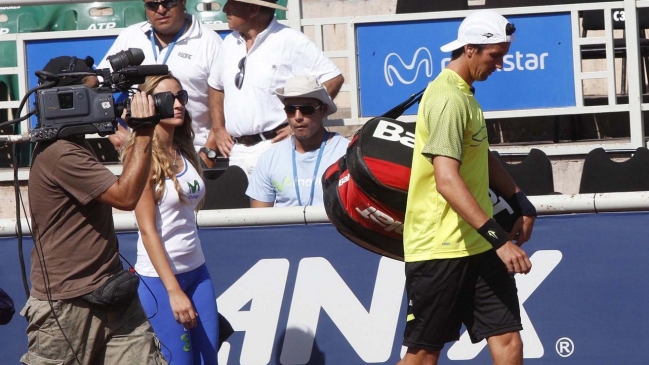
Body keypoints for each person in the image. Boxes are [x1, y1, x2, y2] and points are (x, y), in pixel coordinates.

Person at [399, 10, 538, 365]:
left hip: (478, 244)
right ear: (471, 49)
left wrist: (520, 201)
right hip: (440, 249)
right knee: (423, 356)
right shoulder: (447, 98)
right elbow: (446, 180)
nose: (500, 65)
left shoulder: (465, 94)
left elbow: (481, 154)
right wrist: (500, 240)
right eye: (495, 56)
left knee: (508, 339)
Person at [22, 56, 167, 364]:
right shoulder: (60, 153)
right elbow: (126, 196)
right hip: (68, 304)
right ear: (67, 99)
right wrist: (142, 131)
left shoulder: (74, 144)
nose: (102, 102)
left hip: (111, 289)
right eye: (93, 93)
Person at [122, 74, 219, 364]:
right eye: (168, 98)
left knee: (209, 360)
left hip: (197, 271)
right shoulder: (140, 156)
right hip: (160, 280)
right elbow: (148, 230)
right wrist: (174, 291)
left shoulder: (184, 147)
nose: (178, 104)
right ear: (149, 104)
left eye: (181, 97)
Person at [207, 0, 344, 176]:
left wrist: (295, 125)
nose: (225, 9)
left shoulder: (291, 40)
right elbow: (216, 85)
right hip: (237, 151)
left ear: (253, 9)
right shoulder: (230, 43)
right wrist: (218, 129)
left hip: (276, 147)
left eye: (232, 3)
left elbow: (333, 78)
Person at [99, 0, 222, 167]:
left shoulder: (209, 41)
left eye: (168, 2)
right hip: (140, 150)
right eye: (152, 5)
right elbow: (98, 87)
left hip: (192, 151)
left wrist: (208, 151)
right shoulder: (130, 36)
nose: (161, 10)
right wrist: (113, 130)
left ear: (183, 2)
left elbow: (225, 101)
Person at [246, 75, 349, 207]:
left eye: (306, 109)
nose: (298, 117)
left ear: (323, 110)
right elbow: (259, 221)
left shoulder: (347, 154)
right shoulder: (269, 159)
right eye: (291, 110)